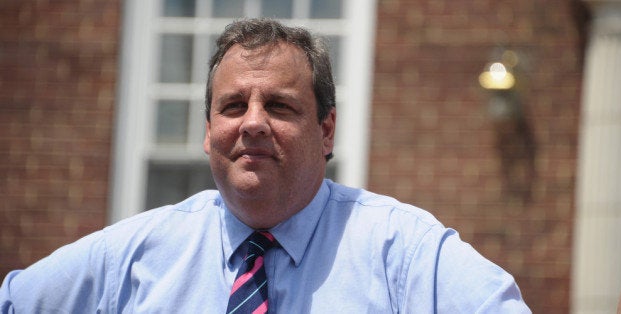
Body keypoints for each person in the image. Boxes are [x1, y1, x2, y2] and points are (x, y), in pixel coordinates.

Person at [0, 18, 530, 313]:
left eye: (279, 106)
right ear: (208, 131)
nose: (252, 123)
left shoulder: (404, 254)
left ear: (326, 130)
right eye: (233, 106)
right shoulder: (131, 258)